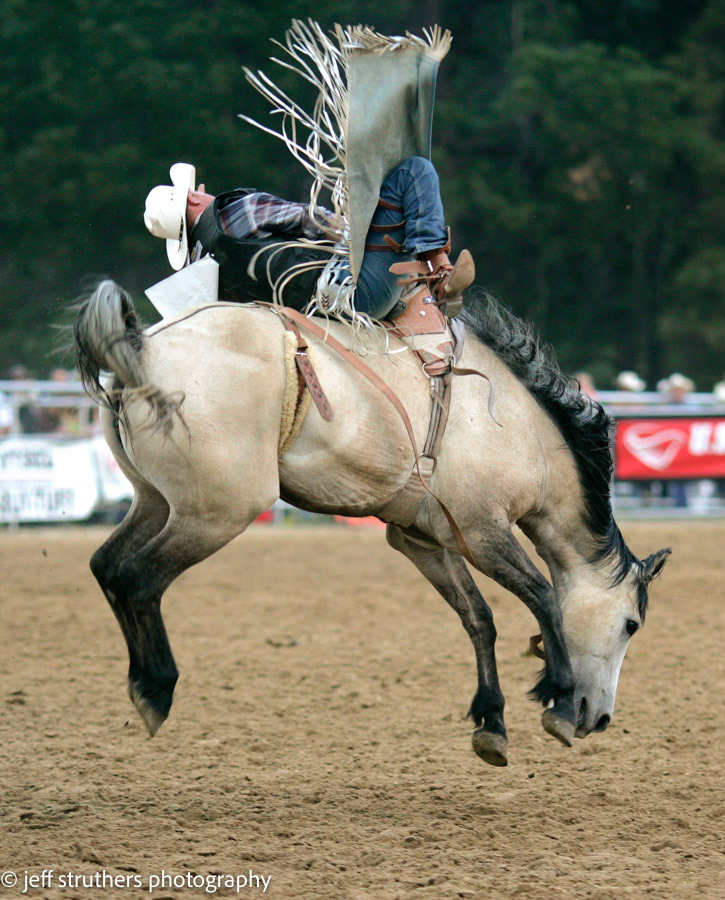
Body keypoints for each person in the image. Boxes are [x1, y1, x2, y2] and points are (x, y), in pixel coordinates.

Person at [143, 159, 474, 321]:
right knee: (413, 171)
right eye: (195, 192)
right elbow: (311, 220)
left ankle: (430, 275)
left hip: (325, 317)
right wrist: (357, 225)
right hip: (359, 292)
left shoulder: (201, 271)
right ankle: (440, 274)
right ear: (192, 202)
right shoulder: (235, 211)